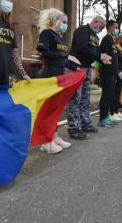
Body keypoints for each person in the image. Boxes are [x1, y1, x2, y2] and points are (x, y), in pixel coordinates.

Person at [36, 8, 76, 153]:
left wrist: (76, 68)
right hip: (49, 74)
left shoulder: (59, 37)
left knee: (55, 109)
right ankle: (46, 141)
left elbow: (63, 58)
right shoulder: (46, 33)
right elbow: (42, 51)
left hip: (59, 76)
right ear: (54, 20)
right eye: (63, 22)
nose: (65, 25)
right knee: (48, 109)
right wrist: (61, 56)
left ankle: (54, 136)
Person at [65, 16, 112, 137]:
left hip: (87, 68)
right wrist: (100, 56)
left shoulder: (96, 37)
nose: (101, 30)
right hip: (75, 68)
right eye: (100, 27)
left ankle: (85, 123)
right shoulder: (82, 30)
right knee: (75, 98)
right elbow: (82, 48)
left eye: (102, 29)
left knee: (85, 98)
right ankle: (74, 127)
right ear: (95, 22)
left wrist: (101, 61)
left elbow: (95, 54)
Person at [98, 20, 121, 127]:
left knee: (109, 95)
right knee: (106, 95)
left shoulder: (112, 41)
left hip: (112, 73)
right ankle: (102, 118)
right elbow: (102, 54)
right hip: (107, 73)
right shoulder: (106, 39)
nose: (117, 29)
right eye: (116, 27)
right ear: (110, 27)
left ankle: (106, 116)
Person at [110, 33, 122, 121]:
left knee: (118, 94)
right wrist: (118, 71)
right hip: (118, 73)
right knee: (115, 93)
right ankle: (112, 112)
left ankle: (116, 111)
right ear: (119, 39)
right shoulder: (116, 47)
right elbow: (116, 61)